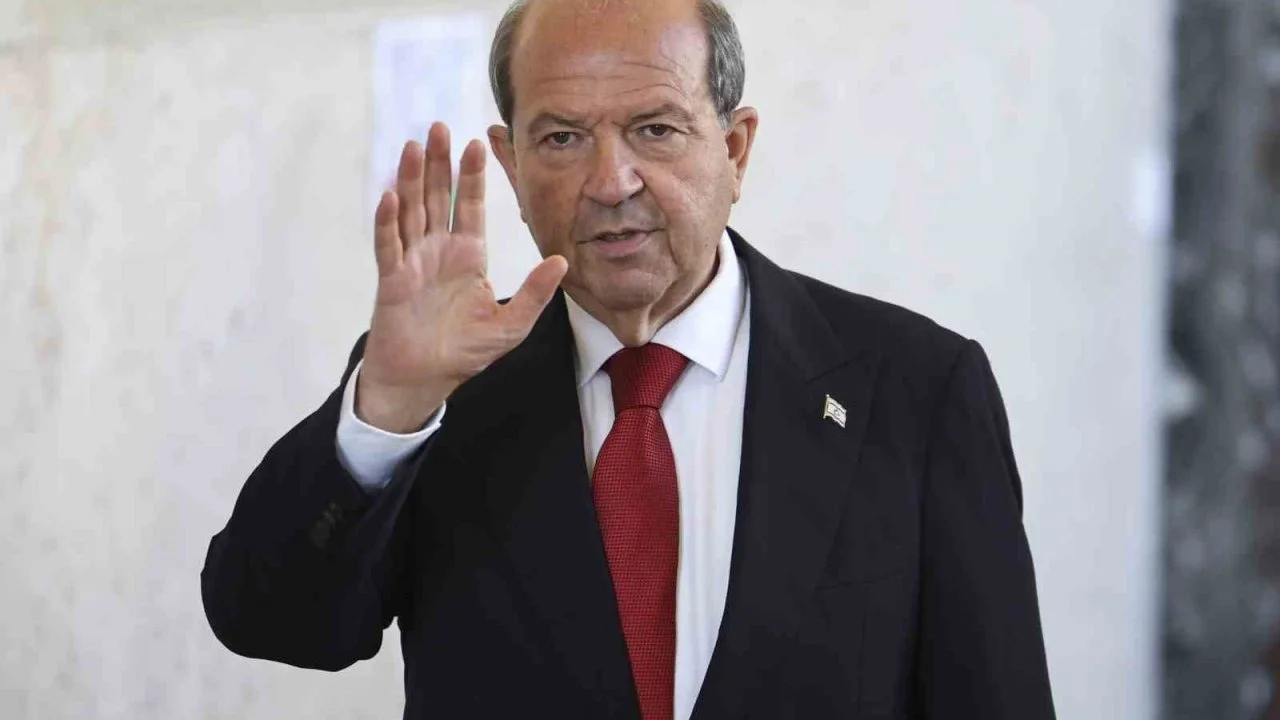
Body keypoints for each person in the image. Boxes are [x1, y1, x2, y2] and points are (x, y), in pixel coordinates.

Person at [200, 0, 1057, 717]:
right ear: (511, 165)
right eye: (562, 139)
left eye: (655, 129)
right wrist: (387, 409)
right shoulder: (442, 388)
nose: (611, 181)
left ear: (735, 149)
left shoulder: (915, 389)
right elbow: (272, 623)